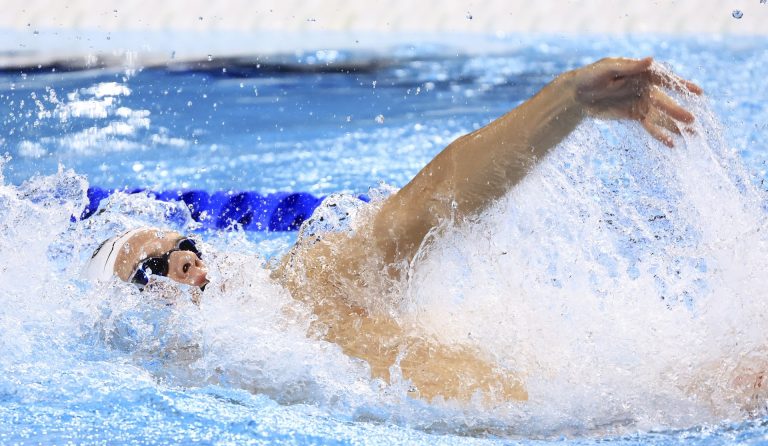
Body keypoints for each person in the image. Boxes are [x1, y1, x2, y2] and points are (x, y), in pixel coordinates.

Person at [85, 57, 702, 404]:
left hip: (627, 404)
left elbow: (433, 200)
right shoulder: (203, 376)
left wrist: (567, 101)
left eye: (180, 246)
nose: (182, 264)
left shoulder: (305, 281)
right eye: (150, 271)